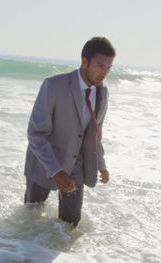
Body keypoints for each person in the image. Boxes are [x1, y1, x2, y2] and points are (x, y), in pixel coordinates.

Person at [24, 37, 116, 226]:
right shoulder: (54, 86)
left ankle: (64, 255)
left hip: (76, 165)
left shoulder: (102, 93)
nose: (104, 72)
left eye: (108, 67)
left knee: (70, 225)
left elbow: (95, 133)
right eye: (100, 65)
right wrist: (56, 171)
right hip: (44, 163)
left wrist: (101, 164)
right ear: (84, 61)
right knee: (30, 218)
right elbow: (36, 133)